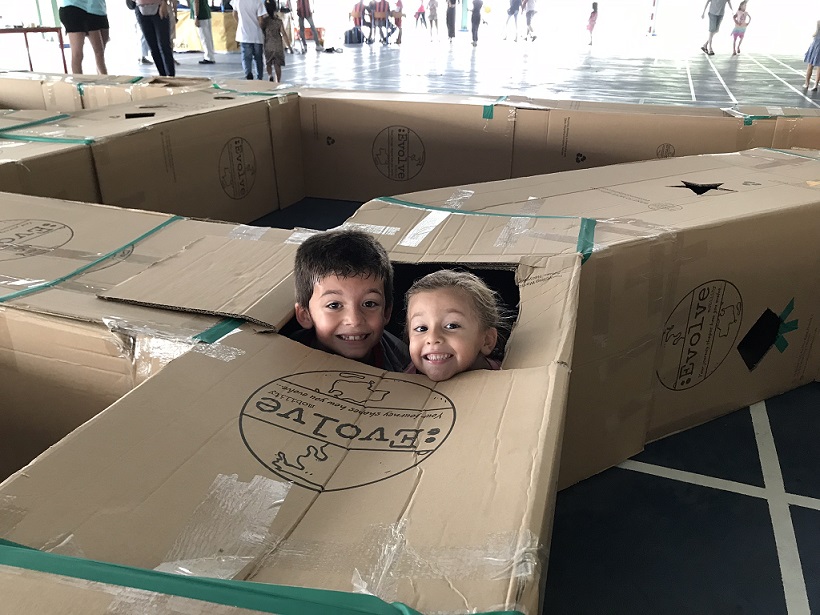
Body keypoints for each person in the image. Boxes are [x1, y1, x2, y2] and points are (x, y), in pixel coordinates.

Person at [291, 229, 410, 372]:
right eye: (334, 305)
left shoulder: (403, 363)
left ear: (386, 313)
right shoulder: (287, 354)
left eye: (369, 304)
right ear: (305, 315)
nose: (354, 320)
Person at [405, 270, 502, 382]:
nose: (432, 338)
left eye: (451, 326)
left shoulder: (506, 377)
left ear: (487, 341)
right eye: (421, 328)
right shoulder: (402, 383)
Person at [58, 0, 109, 75]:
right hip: (72, 8)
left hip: (85, 9)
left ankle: (104, 81)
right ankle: (79, 84)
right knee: (78, 54)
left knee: (99, 51)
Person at [135, 0, 175, 76]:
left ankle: (170, 76)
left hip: (158, 7)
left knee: (164, 45)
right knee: (153, 47)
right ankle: (162, 75)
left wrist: (164, 4)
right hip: (141, 8)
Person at [233, 0, 266, 79]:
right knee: (258, 58)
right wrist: (263, 29)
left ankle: (248, 74)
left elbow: (234, 14)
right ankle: (259, 77)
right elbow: (261, 19)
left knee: (246, 57)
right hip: (256, 35)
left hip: (244, 34)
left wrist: (240, 23)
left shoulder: (237, 1)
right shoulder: (258, 2)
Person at [260, 1, 286, 82]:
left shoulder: (265, 21)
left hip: (268, 44)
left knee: (268, 63)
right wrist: (289, 46)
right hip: (278, 45)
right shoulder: (278, 21)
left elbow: (261, 29)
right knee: (277, 64)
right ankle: (278, 80)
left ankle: (270, 75)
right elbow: (284, 33)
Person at [804, 21, 820, 91]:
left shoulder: (817, 31)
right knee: (819, 67)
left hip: (815, 48)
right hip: (816, 48)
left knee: (810, 66)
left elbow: (814, 35)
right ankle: (815, 85)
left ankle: (806, 84)